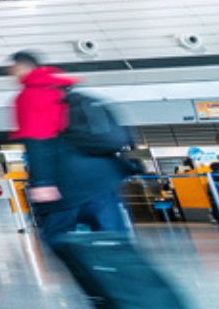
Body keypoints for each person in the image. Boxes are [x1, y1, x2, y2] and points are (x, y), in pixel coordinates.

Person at [9, 51, 130, 238]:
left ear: (21, 67)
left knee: (59, 240)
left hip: (67, 181)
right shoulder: (66, 89)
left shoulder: (31, 95)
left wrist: (42, 182)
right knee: (116, 242)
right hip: (103, 177)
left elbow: (38, 139)